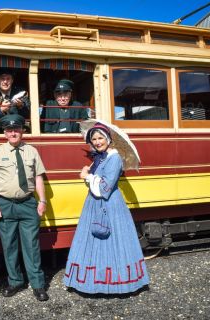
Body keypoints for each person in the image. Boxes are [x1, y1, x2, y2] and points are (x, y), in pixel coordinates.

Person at [64, 122, 149, 294]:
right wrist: (89, 174)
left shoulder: (115, 159)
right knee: (93, 242)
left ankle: (117, 283)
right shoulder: (99, 158)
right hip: (93, 204)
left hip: (110, 206)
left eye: (100, 138)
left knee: (114, 242)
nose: (97, 141)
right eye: (94, 139)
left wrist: (87, 176)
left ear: (108, 139)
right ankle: (94, 282)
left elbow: (104, 189)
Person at [0, 114, 49, 302]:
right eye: (9, 130)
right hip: (5, 204)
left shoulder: (32, 151)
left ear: (22, 130)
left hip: (28, 203)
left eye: (17, 129)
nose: (13, 133)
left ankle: (38, 285)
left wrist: (42, 201)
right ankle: (15, 281)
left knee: (32, 245)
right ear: (4, 132)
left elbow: (38, 178)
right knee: (9, 245)